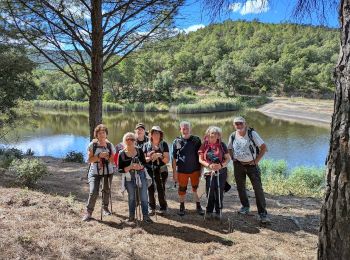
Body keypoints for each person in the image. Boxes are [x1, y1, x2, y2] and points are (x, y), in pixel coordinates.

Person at [227, 116, 270, 224]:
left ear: (245, 124)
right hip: (238, 165)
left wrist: (256, 161)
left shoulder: (252, 134)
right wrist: (233, 158)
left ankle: (262, 214)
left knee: (258, 189)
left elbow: (264, 147)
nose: (239, 125)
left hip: (252, 166)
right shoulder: (233, 135)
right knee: (241, 188)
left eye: (241, 123)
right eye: (236, 124)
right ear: (234, 125)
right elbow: (229, 148)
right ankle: (245, 207)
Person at [83, 124, 116, 221]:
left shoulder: (110, 145)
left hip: (108, 171)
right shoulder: (92, 145)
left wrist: (108, 156)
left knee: (106, 190)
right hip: (94, 172)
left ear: (106, 134)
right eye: (99, 133)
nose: (102, 135)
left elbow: (112, 161)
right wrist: (99, 156)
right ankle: (88, 212)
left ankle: (105, 208)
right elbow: (89, 160)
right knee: (93, 191)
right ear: (96, 135)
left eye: (103, 133)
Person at [118, 132, 152, 223]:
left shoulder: (139, 150)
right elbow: (120, 170)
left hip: (141, 176)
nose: (130, 141)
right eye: (127, 139)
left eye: (132, 139)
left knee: (144, 197)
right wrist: (130, 167)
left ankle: (146, 216)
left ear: (135, 140)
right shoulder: (121, 153)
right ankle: (131, 217)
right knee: (131, 198)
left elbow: (144, 163)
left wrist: (140, 167)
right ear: (124, 141)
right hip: (129, 178)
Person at [172, 121, 204, 216]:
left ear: (190, 129)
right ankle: (182, 207)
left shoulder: (196, 140)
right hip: (182, 170)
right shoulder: (177, 141)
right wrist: (174, 172)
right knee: (182, 189)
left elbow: (201, 155)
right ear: (180, 129)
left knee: (196, 189)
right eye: (184, 128)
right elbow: (173, 158)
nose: (186, 130)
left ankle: (198, 206)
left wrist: (202, 170)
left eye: (187, 128)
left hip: (195, 169)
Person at [199, 126, 230, 220]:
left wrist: (221, 165)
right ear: (208, 134)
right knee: (209, 191)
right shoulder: (204, 144)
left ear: (218, 136)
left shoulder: (222, 145)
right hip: (209, 172)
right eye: (211, 133)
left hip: (221, 171)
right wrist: (209, 165)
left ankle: (218, 211)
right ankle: (208, 211)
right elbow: (200, 159)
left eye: (215, 133)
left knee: (219, 191)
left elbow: (228, 158)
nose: (213, 135)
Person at [145, 126, 170, 215]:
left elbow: (167, 160)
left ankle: (163, 207)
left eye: (158, 133)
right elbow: (143, 159)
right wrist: (150, 157)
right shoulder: (146, 145)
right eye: (154, 133)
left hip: (162, 170)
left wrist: (160, 156)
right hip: (149, 170)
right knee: (150, 188)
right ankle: (151, 207)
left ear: (160, 134)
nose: (156, 135)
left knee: (161, 188)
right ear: (151, 135)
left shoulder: (164, 144)